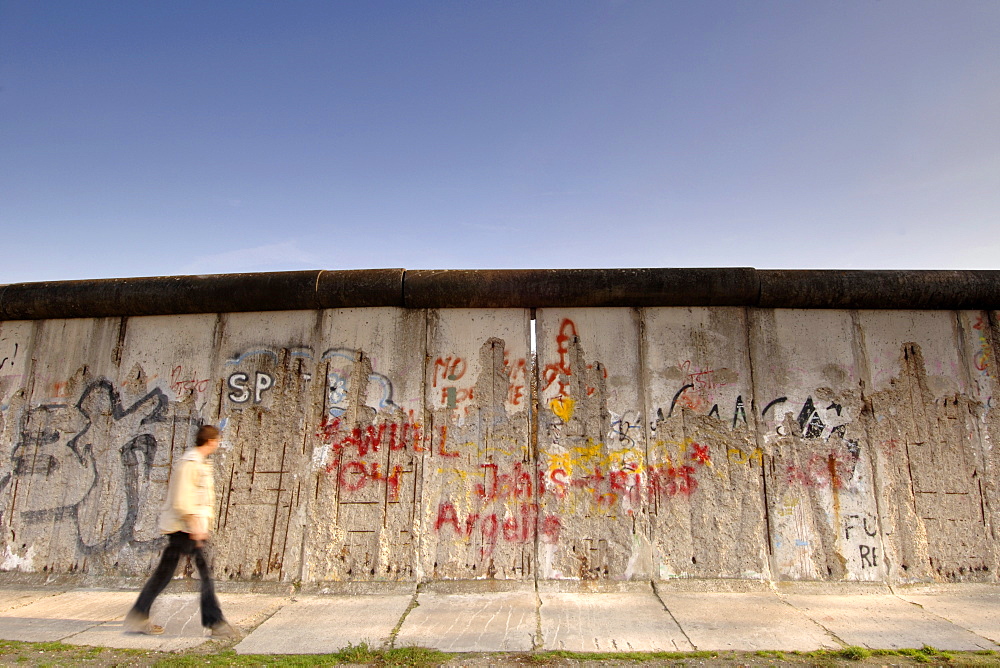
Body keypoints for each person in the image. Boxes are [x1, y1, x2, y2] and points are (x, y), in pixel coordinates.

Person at [124, 424, 237, 638]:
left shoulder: (199, 462)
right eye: (217, 440)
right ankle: (216, 622)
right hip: (184, 528)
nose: (218, 444)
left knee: (165, 574)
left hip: (187, 527)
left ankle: (139, 614)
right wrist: (195, 526)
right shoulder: (190, 463)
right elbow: (182, 500)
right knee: (203, 574)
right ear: (210, 441)